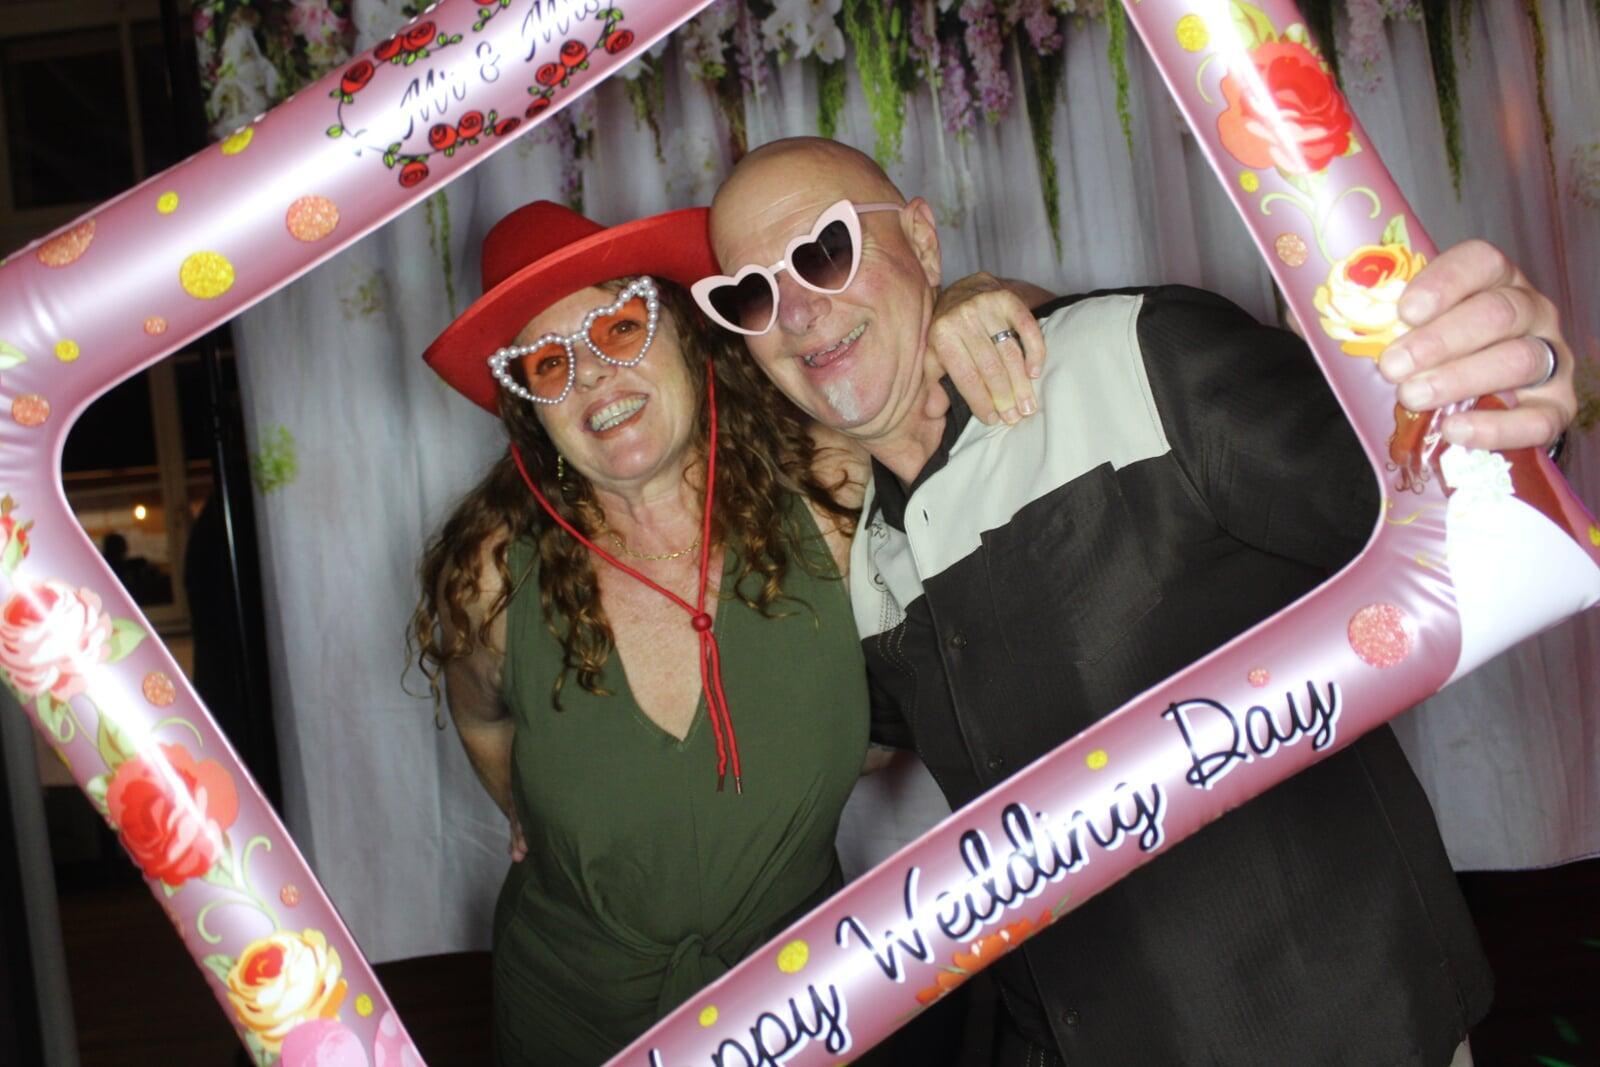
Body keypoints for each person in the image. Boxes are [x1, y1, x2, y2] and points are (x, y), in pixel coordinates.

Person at [701, 137, 1579, 1066]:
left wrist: (1499, 401)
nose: (796, 309)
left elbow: (1435, 506)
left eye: (825, 251)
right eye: (750, 294)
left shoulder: (1136, 357)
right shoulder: (871, 565)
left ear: (922, 240)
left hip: (1347, 1032)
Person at [409, 201, 1049, 1065]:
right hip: (572, 1020)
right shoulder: (491, 575)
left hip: (801, 1010)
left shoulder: (827, 490)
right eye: (551, 362)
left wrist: (966, 302)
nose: (593, 375)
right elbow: (482, 716)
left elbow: (1013, 344)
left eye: (620, 326)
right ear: (533, 412)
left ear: (684, 331)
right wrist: (529, 807)